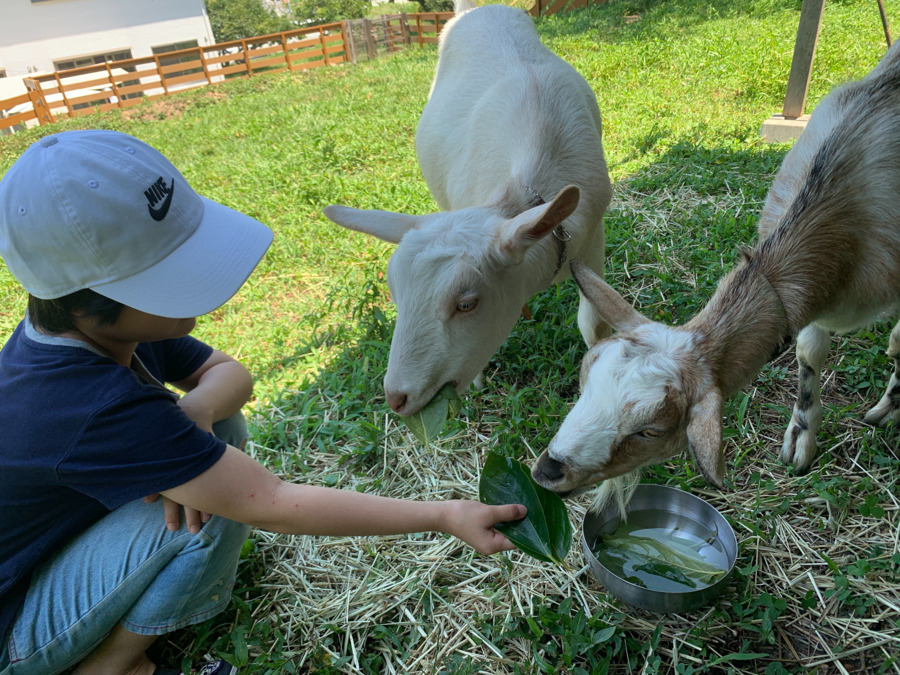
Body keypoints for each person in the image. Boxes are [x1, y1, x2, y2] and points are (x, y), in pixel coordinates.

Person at [0, 130, 526, 675]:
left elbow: (227, 375)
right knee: (219, 512)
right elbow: (269, 500)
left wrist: (197, 409)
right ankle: (111, 665)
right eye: (168, 278)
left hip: (55, 546)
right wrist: (445, 514)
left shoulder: (94, 333)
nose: (197, 286)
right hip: (12, 626)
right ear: (91, 303)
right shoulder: (90, 403)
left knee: (216, 436)